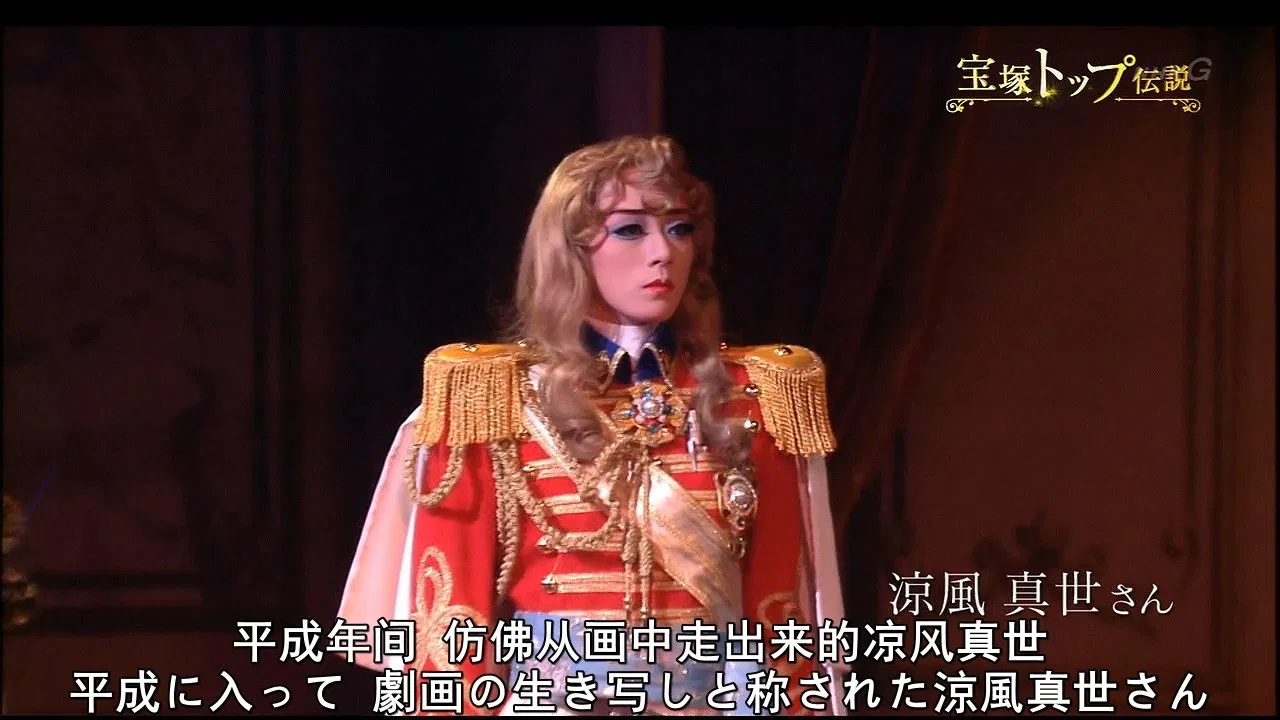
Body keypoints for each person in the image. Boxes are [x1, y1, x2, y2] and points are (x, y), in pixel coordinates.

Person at [338, 134, 848, 716]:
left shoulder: (756, 398)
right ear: (570, 250)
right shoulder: (489, 399)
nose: (663, 252)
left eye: (679, 229)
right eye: (630, 229)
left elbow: (783, 621)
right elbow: (451, 632)